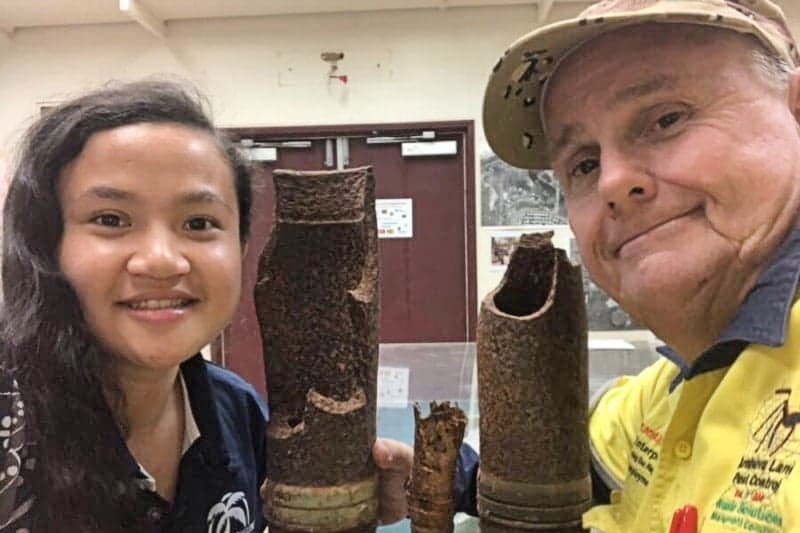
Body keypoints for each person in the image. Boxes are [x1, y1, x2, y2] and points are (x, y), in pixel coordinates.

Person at [377, 1, 800, 531]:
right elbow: (555, 473)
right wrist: (439, 474)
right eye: (584, 162)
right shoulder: (666, 392)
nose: (613, 183)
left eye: (667, 119)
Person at [0, 78, 406, 532]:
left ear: (243, 247)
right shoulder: (10, 421)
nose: (161, 260)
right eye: (110, 219)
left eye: (199, 222)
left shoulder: (235, 412)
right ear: (46, 244)